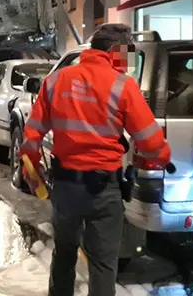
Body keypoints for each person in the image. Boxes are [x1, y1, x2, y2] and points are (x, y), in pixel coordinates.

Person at [19, 23, 171, 296]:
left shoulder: (56, 81)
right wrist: (162, 157)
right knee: (103, 264)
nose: (130, 60)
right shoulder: (123, 86)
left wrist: (30, 167)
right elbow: (149, 140)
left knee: (64, 254)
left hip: (66, 187)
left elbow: (32, 134)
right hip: (104, 190)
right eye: (128, 53)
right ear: (115, 51)